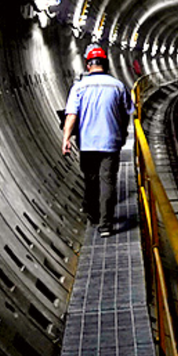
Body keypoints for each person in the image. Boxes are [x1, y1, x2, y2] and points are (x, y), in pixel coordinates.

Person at [62, 45, 134, 237]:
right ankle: (106, 225)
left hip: (87, 144)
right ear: (106, 64)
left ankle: (93, 215)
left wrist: (66, 139)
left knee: (91, 180)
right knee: (108, 181)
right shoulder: (118, 86)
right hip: (111, 143)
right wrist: (122, 132)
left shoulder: (79, 87)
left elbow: (71, 115)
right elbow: (127, 113)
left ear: (88, 65)